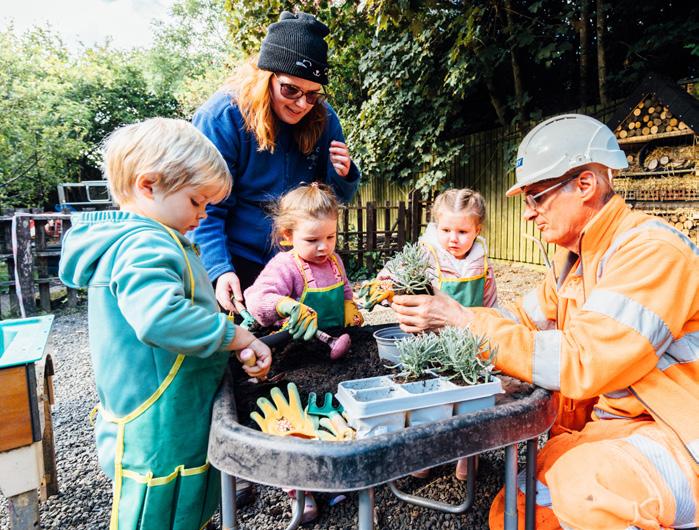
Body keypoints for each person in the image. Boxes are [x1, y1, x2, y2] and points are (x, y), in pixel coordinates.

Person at [391, 114, 699, 529]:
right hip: (611, 428)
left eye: (536, 197)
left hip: (677, 433)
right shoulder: (574, 259)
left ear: (585, 185)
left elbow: (584, 360)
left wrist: (464, 322)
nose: (527, 214)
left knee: (581, 491)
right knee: (518, 508)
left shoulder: (652, 251)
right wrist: (447, 321)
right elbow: (521, 321)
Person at [59, 118, 272, 530]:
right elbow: (160, 317)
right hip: (157, 431)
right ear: (148, 185)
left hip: (175, 417)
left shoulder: (155, 237)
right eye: (196, 201)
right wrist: (235, 335)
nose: (203, 215)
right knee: (157, 513)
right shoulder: (145, 243)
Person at [191, 10, 361, 311]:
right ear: (265, 77)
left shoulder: (324, 118)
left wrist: (344, 176)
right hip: (236, 259)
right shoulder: (221, 118)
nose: (302, 104)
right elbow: (204, 207)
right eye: (290, 89)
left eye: (312, 94)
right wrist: (218, 268)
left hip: (299, 263)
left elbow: (329, 202)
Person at [245, 183, 363, 349]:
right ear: (288, 235)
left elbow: (345, 290)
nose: (324, 247)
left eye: (330, 237)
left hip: (336, 343)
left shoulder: (334, 261)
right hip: (296, 349)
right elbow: (256, 300)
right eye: (312, 240)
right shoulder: (285, 265)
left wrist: (348, 304)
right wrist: (284, 306)